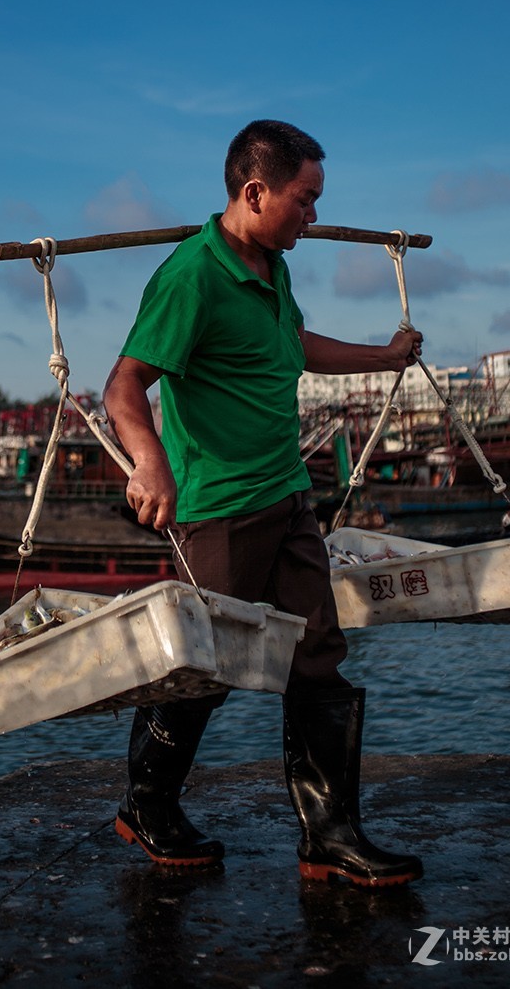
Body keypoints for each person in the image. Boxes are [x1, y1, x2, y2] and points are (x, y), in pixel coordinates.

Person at [103, 120, 424, 887]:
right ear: (254, 192)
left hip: (286, 494)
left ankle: (329, 836)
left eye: (316, 200)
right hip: (217, 506)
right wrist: (150, 464)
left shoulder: (271, 266)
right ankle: (146, 805)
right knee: (205, 666)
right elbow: (123, 385)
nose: (312, 215)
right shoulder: (192, 276)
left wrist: (381, 358)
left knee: (318, 656)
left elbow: (294, 344)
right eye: (303, 199)